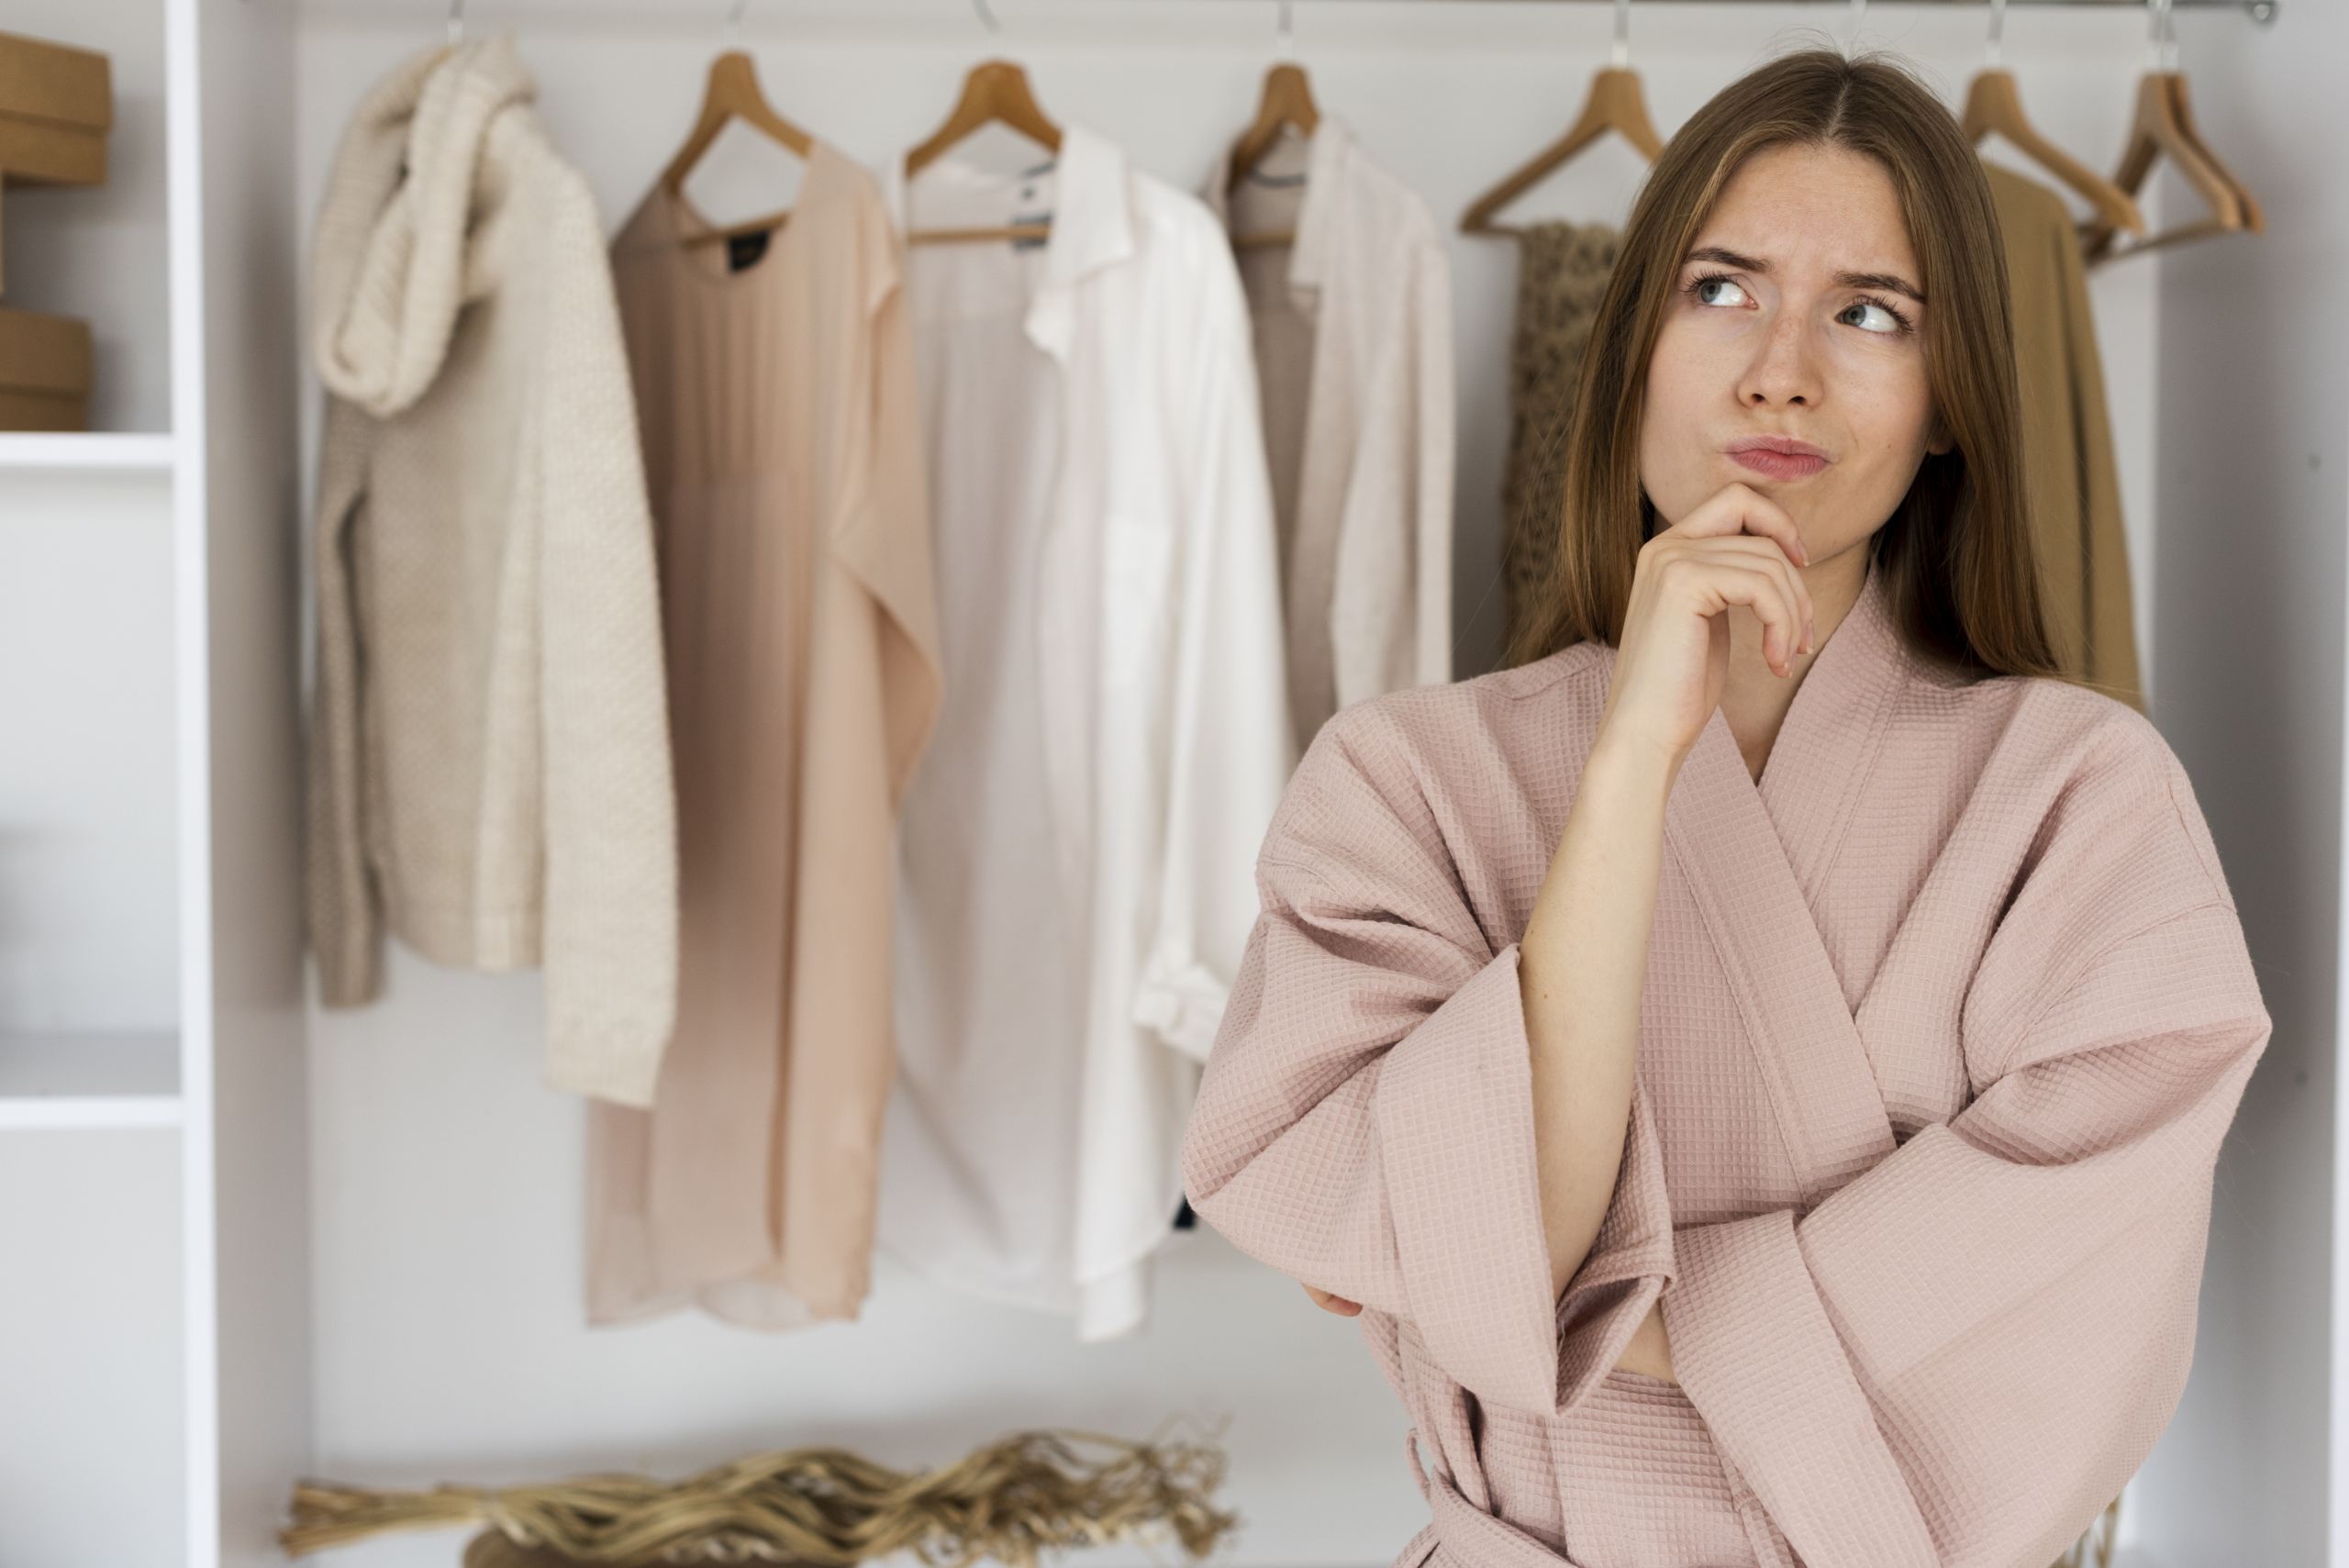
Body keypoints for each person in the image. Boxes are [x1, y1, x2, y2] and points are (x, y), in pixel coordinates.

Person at [1181, 49, 2267, 1568]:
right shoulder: (1406, 783)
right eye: (1721, 290)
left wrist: (1508, 1277)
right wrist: (1631, 759)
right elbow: (1364, 1208)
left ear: (1950, 403)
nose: (1782, 370)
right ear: (1632, 350)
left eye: (1870, 312)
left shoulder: (2082, 800)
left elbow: (2068, 1297)